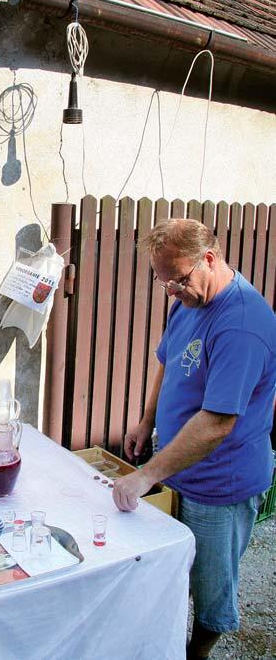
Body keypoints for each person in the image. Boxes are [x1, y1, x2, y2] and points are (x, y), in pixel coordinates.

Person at [112, 218, 276, 659]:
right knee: (168, 575)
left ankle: (195, 654)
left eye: (178, 279)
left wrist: (146, 475)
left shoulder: (242, 323)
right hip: (179, 469)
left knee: (210, 595)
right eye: (161, 280)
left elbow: (218, 422)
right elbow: (167, 360)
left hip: (219, 486)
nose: (171, 290)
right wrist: (146, 420)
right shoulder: (186, 300)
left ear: (210, 258)